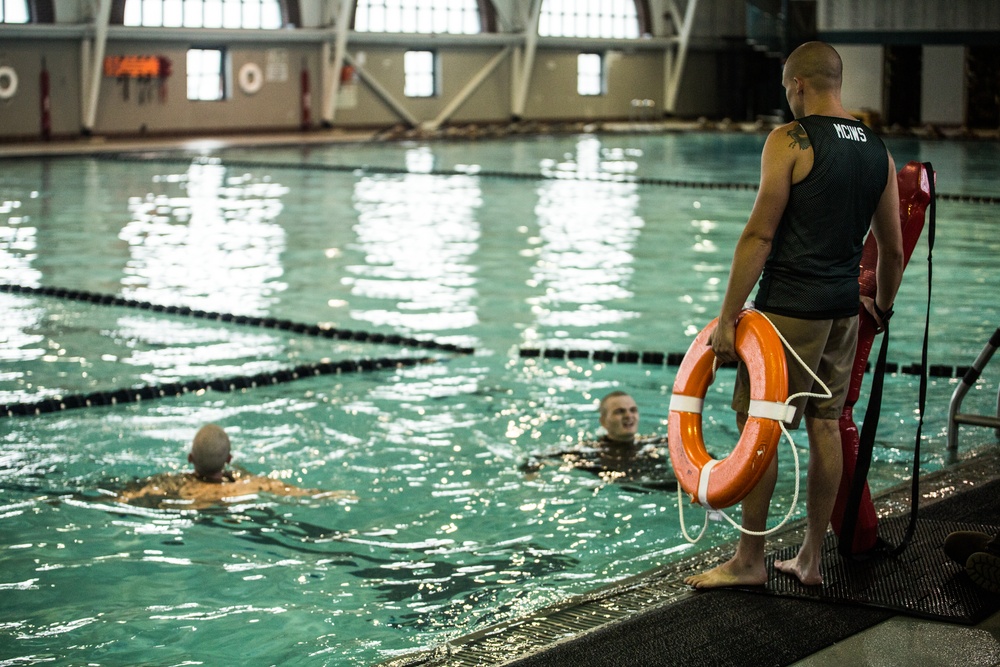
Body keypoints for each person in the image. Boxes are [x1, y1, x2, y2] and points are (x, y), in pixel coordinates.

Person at [685, 41, 904, 589]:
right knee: (825, 424)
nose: (788, 98)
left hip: (789, 310)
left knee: (758, 425)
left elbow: (759, 233)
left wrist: (729, 316)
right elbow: (892, 251)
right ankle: (809, 558)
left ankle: (750, 561)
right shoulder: (878, 149)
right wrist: (881, 307)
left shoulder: (790, 140)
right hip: (843, 311)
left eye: (787, 89)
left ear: (799, 85)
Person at [117, 423, 351, 509]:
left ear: (190, 458)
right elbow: (300, 494)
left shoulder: (177, 487)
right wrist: (335, 494)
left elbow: (127, 496)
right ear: (229, 460)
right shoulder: (251, 484)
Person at [521, 391, 674, 490]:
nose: (629, 415)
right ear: (603, 421)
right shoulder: (588, 451)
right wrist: (531, 480)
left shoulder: (654, 442)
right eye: (619, 412)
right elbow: (535, 457)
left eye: (633, 410)